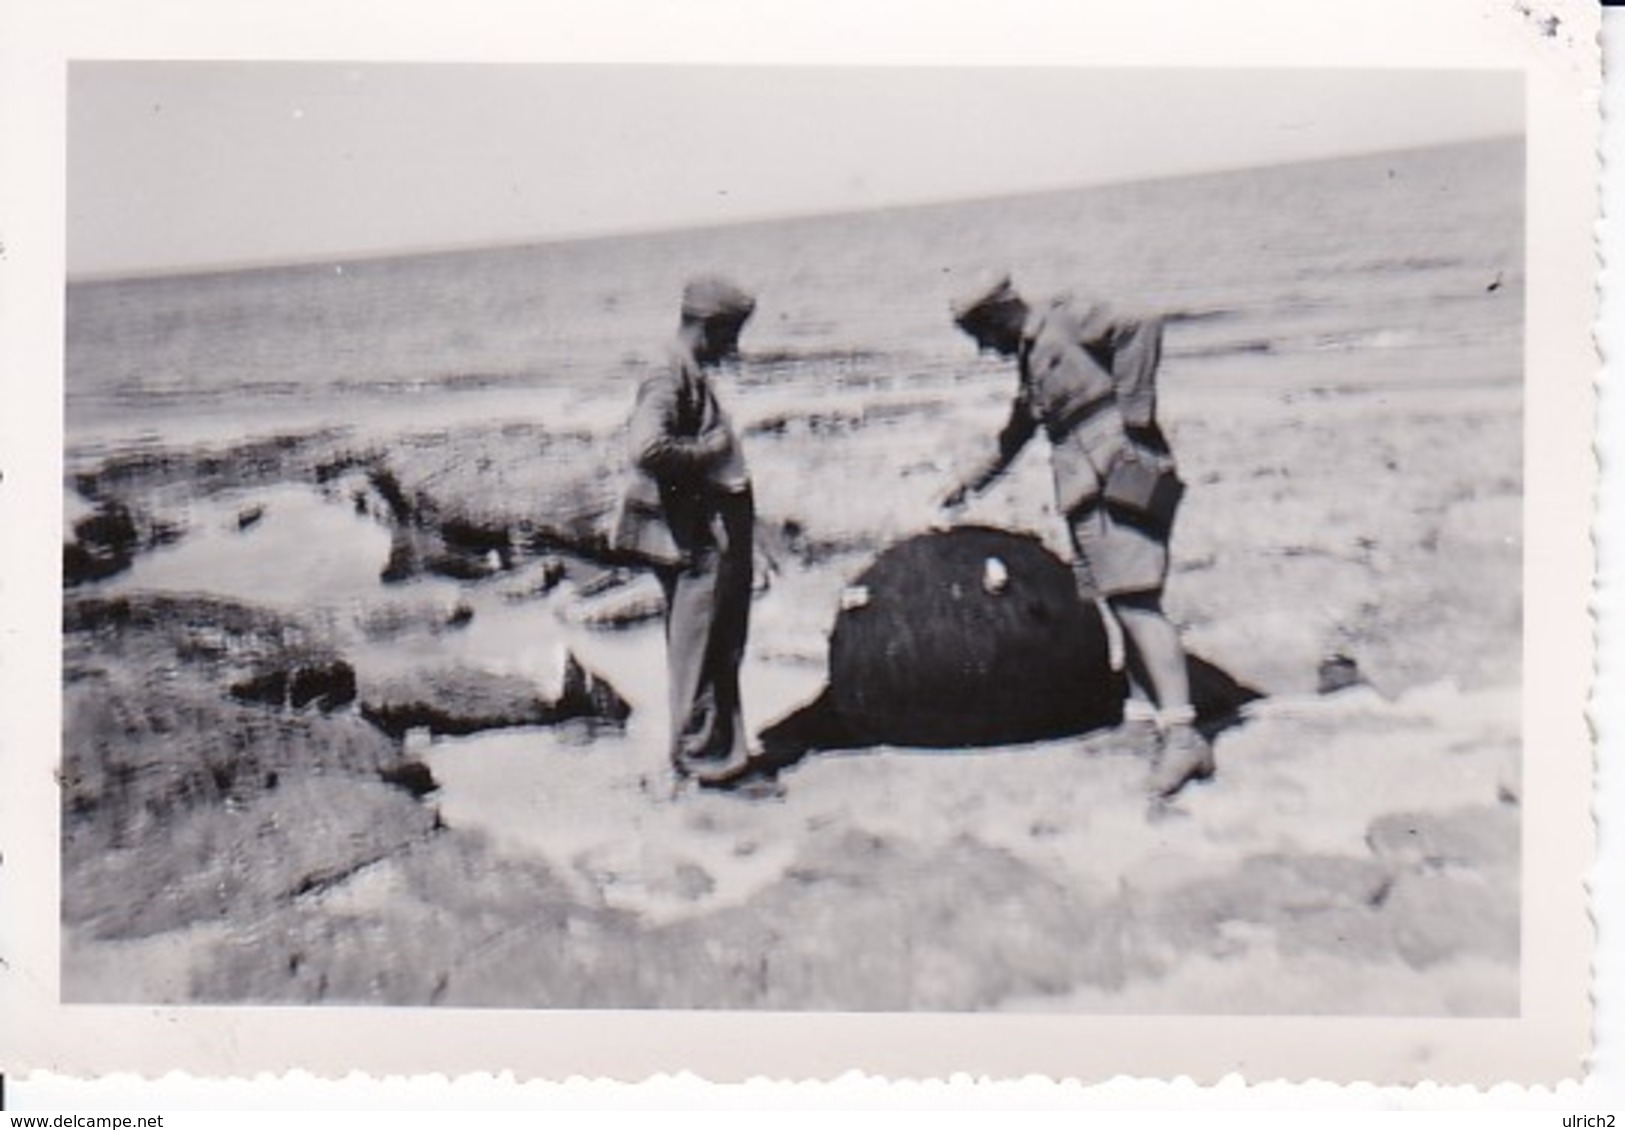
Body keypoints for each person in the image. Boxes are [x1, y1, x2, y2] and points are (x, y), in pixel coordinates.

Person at [938, 274, 1214, 798]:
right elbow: (1015, 435)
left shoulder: (1063, 319)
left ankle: (1183, 738)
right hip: (1086, 487)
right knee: (1120, 604)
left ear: (997, 316)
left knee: (1138, 604)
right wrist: (968, 483)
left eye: (980, 334)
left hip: (1121, 476)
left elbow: (1142, 320)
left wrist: (1133, 419)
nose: (982, 348)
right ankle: (1142, 720)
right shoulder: (1031, 354)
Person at [612, 276, 758, 788]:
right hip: (694, 535)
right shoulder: (668, 373)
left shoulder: (683, 368)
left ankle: (712, 755)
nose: (735, 347)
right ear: (710, 327)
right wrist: (710, 452)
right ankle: (705, 764)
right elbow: (647, 447)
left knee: (711, 643)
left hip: (700, 530)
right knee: (701, 646)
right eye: (731, 334)